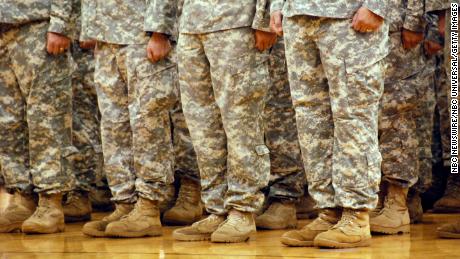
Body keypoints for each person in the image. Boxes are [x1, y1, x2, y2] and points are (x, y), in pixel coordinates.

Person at [153, 0, 276, 243]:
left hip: (236, 22)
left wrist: (264, 20)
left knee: (241, 122)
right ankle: (216, 209)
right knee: (203, 127)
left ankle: (243, 209)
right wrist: (165, 27)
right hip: (191, 26)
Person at [270, 0, 389, 248]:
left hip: (348, 16)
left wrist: (379, 5)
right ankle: (329, 211)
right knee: (311, 119)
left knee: (353, 114)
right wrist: (277, 5)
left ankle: (356, 214)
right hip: (299, 15)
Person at [81, 0, 177, 238]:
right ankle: (124, 203)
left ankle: (148, 206)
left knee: (147, 121)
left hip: (140, 33)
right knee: (114, 125)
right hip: (106, 35)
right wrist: (90, 26)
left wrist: (159, 30)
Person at [0, 0, 76, 234]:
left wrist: (61, 24)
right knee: (8, 121)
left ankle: (51, 202)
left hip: (38, 25)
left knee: (46, 117)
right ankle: (23, 198)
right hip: (4, 29)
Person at [371, 0, 431, 233]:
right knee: (374, 115)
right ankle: (382, 199)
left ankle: (398, 204)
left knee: (396, 112)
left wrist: (414, 21)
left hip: (396, 27)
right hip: (367, 28)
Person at [256, 37, 306, 230]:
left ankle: (285, 199)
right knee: (264, 110)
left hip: (284, 30)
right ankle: (272, 195)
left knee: (281, 111)